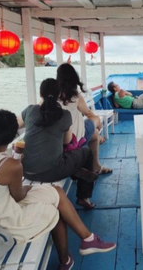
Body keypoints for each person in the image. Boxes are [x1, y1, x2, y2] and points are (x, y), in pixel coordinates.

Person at [0, 110, 116, 270]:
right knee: (55, 211)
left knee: (57, 192)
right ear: (12, 135)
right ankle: (66, 260)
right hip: (5, 221)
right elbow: (18, 196)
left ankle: (88, 239)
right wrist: (25, 181)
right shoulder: (10, 165)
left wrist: (17, 165)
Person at [17, 78, 98, 210]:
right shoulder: (65, 115)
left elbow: (17, 123)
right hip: (52, 171)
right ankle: (84, 197)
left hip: (25, 171)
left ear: (40, 94)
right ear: (59, 94)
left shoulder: (30, 110)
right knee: (86, 152)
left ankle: (76, 171)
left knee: (67, 158)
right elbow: (67, 141)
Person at [56, 63, 112, 175]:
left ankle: (95, 164)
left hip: (56, 140)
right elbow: (88, 113)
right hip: (73, 139)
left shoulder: (52, 96)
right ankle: (96, 167)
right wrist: (96, 121)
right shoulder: (75, 96)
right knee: (95, 123)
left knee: (95, 133)